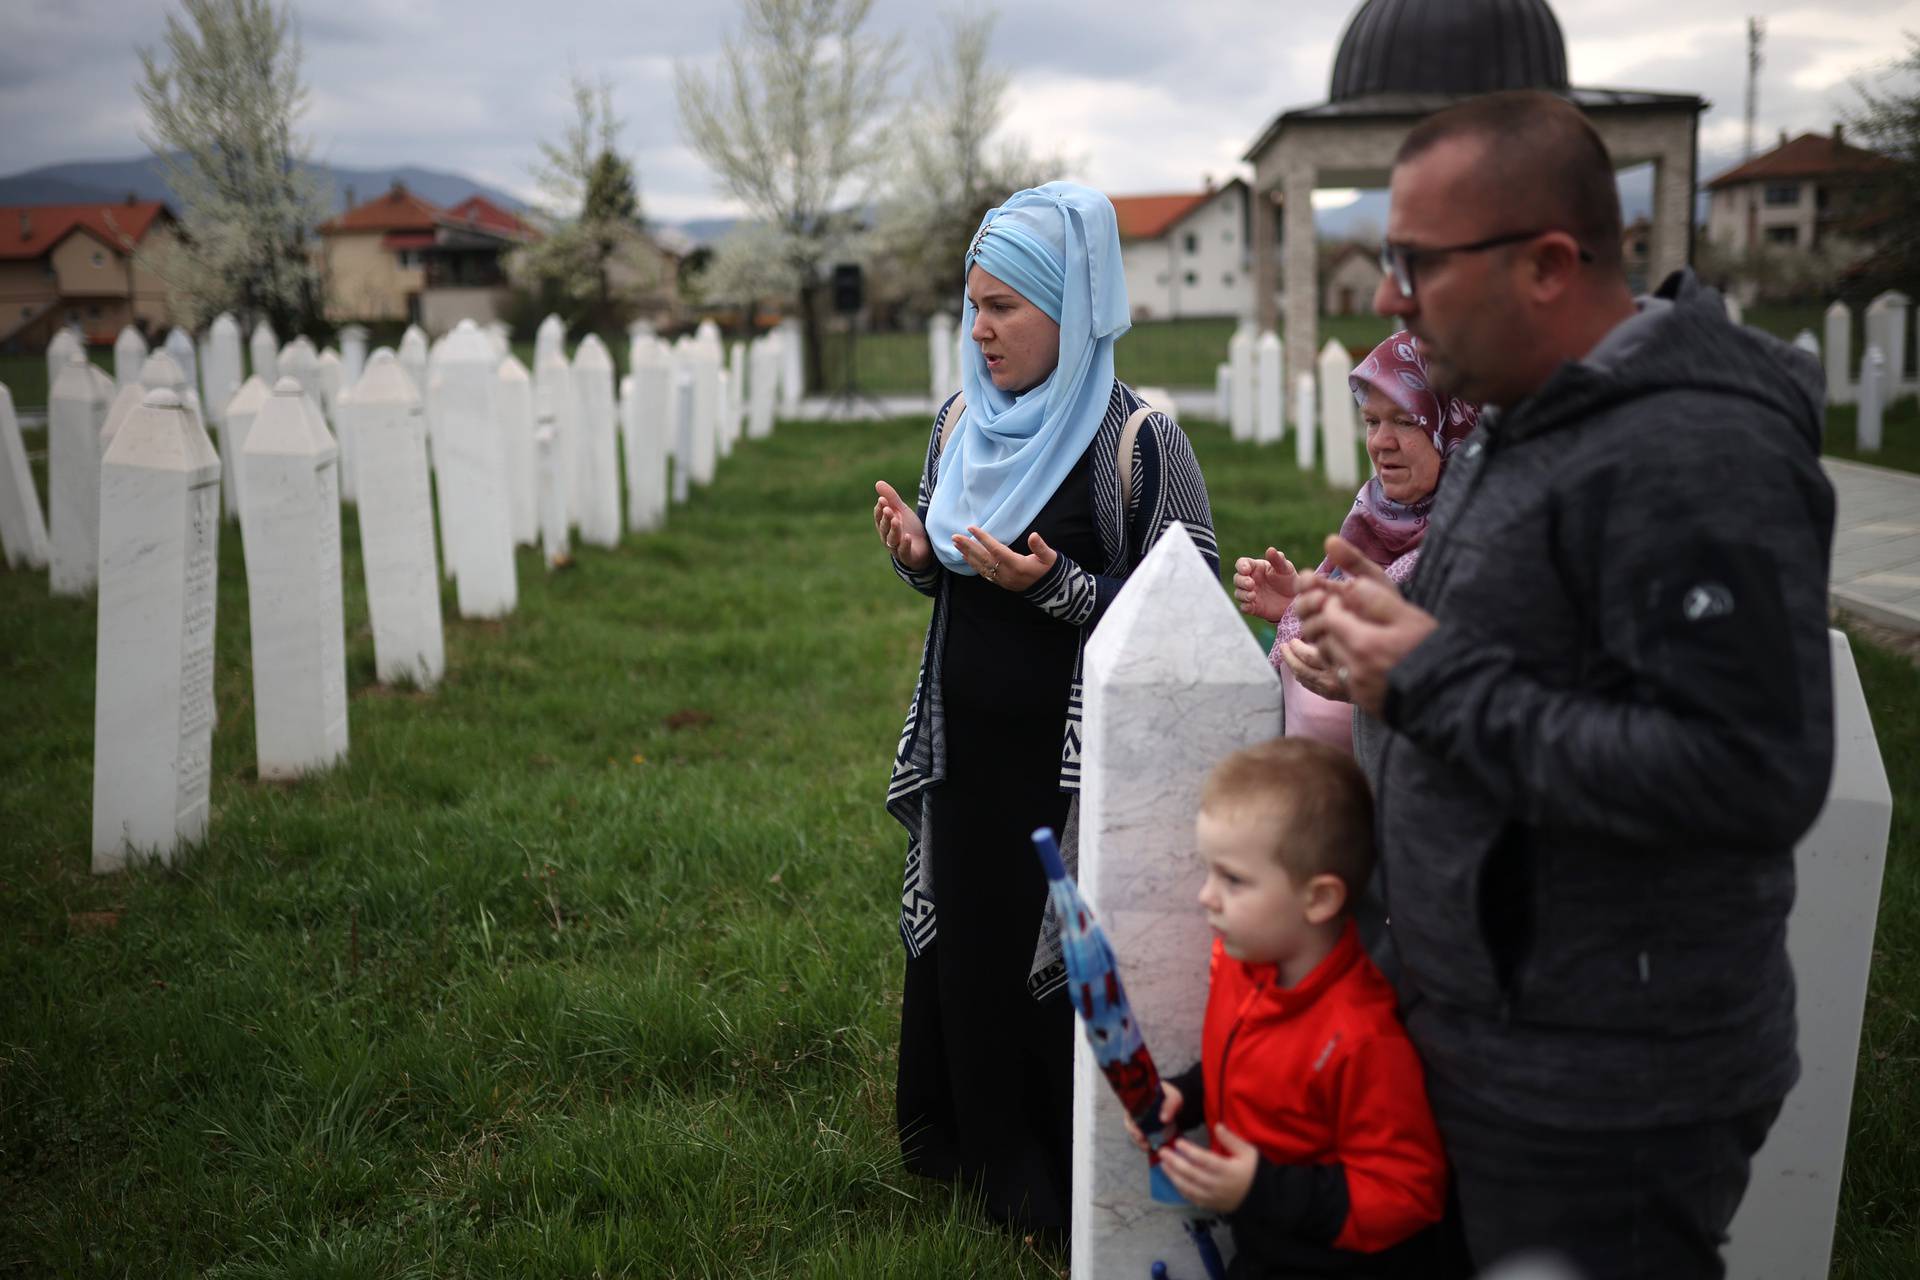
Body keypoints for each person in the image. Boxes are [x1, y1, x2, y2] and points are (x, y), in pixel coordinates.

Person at [1293, 90, 1836, 1280]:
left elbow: (1748, 767)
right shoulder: (1520, 410)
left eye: (1418, 262)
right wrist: (1378, 654)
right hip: (1483, 1037)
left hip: (1603, 1086)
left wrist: (1429, 676)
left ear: (1547, 264)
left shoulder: (1694, 448)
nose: (1389, 295)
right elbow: (1542, 656)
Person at [871, 181, 1217, 1235]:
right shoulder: (957, 423)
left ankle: (1053, 1178)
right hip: (969, 750)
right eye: (972, 305)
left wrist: (1056, 587)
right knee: (970, 948)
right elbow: (958, 580)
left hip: (1077, 773)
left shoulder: (1137, 439)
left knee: (1056, 961)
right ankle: (978, 1150)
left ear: (1071, 303)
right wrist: (925, 561)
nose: (982, 328)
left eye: (1005, 306)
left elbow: (1185, 619)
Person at [1125, 738, 1447, 1278]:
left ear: (1318, 898)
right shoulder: (1242, 965)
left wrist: (1260, 1186)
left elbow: (1408, 1194)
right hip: (1259, 1242)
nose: (1206, 896)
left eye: (1233, 879)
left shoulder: (1363, 1038)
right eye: (1209, 872)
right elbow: (1256, 1064)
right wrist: (1188, 1095)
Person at [1231, 335, 1479, 756]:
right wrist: (1298, 606)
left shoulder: (1475, 548)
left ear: (1453, 426)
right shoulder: (1373, 519)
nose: (1381, 441)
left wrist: (1372, 684)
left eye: (1405, 421)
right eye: (1371, 421)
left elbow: (1476, 702)